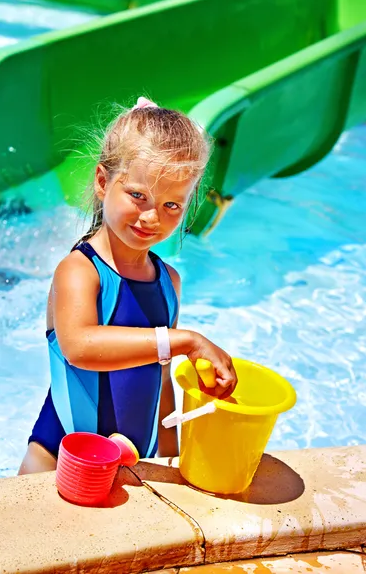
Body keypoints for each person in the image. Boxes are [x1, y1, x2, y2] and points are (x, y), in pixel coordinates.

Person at [18, 97, 238, 475]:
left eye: (172, 206)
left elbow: (162, 381)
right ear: (103, 182)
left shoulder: (169, 282)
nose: (152, 217)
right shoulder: (79, 270)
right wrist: (186, 341)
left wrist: (171, 459)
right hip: (59, 459)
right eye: (138, 196)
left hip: (136, 462)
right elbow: (80, 347)